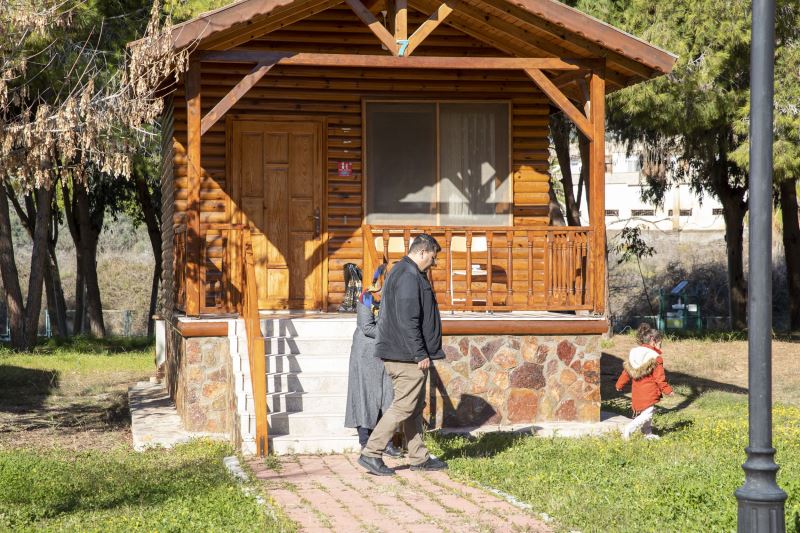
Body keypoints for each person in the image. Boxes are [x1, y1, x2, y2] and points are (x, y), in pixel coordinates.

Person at [358, 234, 447, 476]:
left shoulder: (401, 272)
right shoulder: (408, 276)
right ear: (421, 252)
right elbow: (409, 320)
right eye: (432, 257)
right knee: (403, 406)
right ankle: (371, 452)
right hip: (405, 356)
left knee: (414, 407)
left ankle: (419, 457)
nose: (434, 262)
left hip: (400, 352)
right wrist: (419, 353)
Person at [344, 265, 403, 457]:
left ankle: (384, 442)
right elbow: (367, 327)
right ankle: (365, 442)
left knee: (386, 395)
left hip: (386, 350)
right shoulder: (367, 297)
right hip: (366, 353)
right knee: (366, 395)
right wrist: (395, 334)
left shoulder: (395, 299)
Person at [615, 322, 674, 440]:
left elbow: (627, 371)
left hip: (637, 390)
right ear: (653, 341)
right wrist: (668, 390)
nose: (661, 346)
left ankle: (647, 433)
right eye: (660, 343)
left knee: (648, 411)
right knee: (648, 412)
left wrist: (619, 384)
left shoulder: (634, 353)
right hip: (649, 390)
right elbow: (659, 377)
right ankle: (629, 429)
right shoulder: (655, 357)